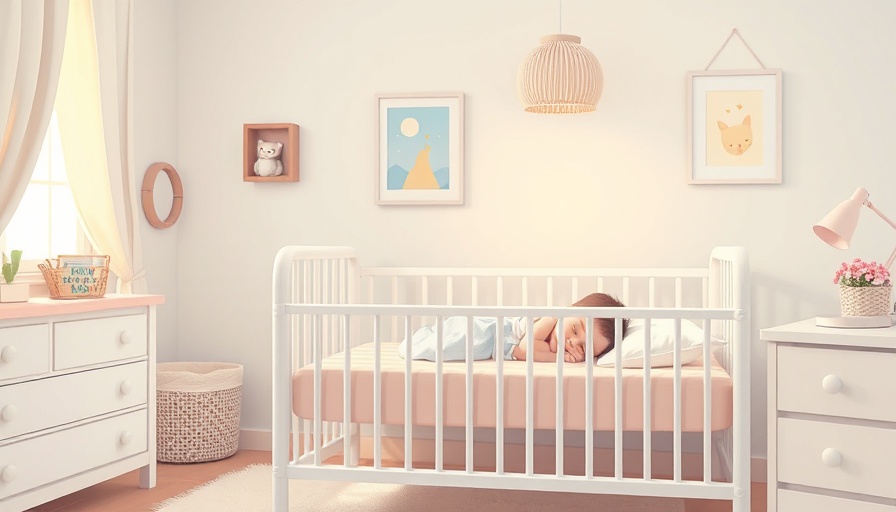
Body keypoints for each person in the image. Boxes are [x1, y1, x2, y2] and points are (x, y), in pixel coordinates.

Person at [397, 292, 628, 363]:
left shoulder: (553, 343)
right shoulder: (549, 320)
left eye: (584, 349)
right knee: (448, 346)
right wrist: (560, 359)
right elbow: (524, 350)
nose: (573, 343)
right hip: (486, 332)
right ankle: (419, 341)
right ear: (568, 310)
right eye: (576, 329)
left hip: (492, 343)